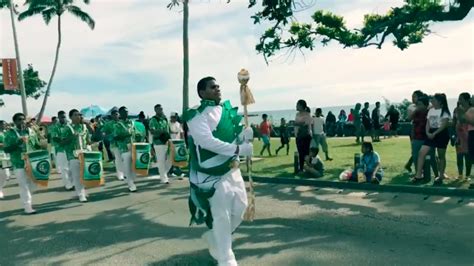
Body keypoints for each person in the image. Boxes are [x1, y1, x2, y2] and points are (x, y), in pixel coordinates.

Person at [184, 76, 253, 266]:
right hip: (210, 173)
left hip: (232, 169)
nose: (218, 89)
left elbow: (235, 137)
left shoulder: (227, 111)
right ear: (202, 92)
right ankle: (226, 258)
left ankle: (216, 239)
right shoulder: (195, 114)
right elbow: (206, 141)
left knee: (240, 209)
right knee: (221, 216)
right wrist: (239, 149)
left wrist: (245, 137)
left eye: (218, 86)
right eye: (213, 87)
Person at [3, 113, 45, 214]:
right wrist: (18, 143)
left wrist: (42, 141)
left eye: (23, 119)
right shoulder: (10, 133)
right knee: (24, 185)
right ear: (15, 122)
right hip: (18, 163)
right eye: (19, 120)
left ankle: (26, 197)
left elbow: (37, 145)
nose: (22, 122)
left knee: (35, 183)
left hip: (31, 162)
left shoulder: (31, 132)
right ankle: (27, 206)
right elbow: (6, 149)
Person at [412, 93, 451, 185]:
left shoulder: (444, 112)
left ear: (439, 101)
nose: (432, 101)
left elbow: (444, 125)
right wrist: (428, 132)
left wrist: (434, 133)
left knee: (441, 156)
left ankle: (440, 176)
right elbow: (428, 123)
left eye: (434, 100)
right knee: (422, 152)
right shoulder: (431, 110)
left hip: (441, 134)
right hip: (431, 133)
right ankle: (418, 175)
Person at [63, 110, 91, 202]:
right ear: (70, 117)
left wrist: (88, 125)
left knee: (84, 174)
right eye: (75, 115)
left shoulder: (84, 127)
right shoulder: (67, 128)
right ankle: (81, 194)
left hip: (84, 153)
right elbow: (62, 142)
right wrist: (71, 137)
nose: (78, 116)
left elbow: (88, 140)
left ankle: (82, 191)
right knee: (77, 176)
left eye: (79, 115)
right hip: (73, 155)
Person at [112, 106, 139, 192]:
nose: (126, 113)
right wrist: (126, 135)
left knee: (134, 166)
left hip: (133, 147)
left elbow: (135, 133)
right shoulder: (117, 125)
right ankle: (131, 185)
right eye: (123, 112)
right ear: (120, 113)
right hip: (124, 148)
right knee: (127, 167)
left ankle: (132, 180)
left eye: (127, 111)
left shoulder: (132, 123)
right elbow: (116, 137)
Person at [51, 111, 74, 191]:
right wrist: (65, 140)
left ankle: (72, 183)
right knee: (64, 169)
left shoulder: (69, 125)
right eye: (62, 117)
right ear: (58, 117)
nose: (63, 118)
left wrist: (67, 139)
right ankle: (68, 185)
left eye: (64, 117)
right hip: (61, 149)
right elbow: (55, 138)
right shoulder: (55, 127)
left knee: (71, 167)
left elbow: (73, 136)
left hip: (70, 149)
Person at [149, 104, 172, 184]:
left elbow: (168, 130)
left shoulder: (165, 119)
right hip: (158, 142)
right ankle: (164, 178)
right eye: (159, 109)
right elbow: (152, 131)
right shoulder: (153, 120)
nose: (161, 110)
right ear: (155, 110)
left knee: (170, 159)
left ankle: (163, 173)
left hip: (167, 142)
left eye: (161, 109)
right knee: (161, 161)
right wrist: (161, 131)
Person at [453, 92, 472, 179]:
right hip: (459, 135)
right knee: (459, 155)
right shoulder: (456, 110)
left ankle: (467, 175)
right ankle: (460, 174)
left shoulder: (471, 109)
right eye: (459, 98)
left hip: (469, 134)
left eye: (461, 99)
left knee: (468, 156)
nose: (459, 100)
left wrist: (461, 113)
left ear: (467, 100)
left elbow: (463, 120)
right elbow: (454, 122)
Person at [105, 109, 125, 180]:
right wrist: (111, 136)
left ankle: (124, 173)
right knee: (118, 159)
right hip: (114, 144)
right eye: (114, 114)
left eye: (117, 114)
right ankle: (120, 175)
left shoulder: (122, 122)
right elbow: (104, 133)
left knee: (124, 159)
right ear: (111, 116)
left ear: (119, 115)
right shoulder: (108, 124)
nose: (115, 116)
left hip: (123, 144)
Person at [295, 100, 313, 173]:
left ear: (302, 106)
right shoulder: (297, 114)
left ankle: (309, 167)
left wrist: (297, 123)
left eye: (297, 105)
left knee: (306, 153)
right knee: (300, 153)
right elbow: (297, 124)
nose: (296, 106)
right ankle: (301, 168)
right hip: (298, 136)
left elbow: (304, 125)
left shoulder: (307, 115)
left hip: (306, 136)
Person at [169, 112, 185, 178]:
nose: (175, 118)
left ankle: (175, 171)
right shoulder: (168, 124)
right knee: (171, 158)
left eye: (175, 117)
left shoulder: (178, 124)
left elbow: (181, 133)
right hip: (170, 142)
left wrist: (183, 142)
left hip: (178, 143)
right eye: (173, 117)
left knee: (177, 157)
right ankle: (173, 171)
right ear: (171, 117)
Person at [0, 120, 11, 199]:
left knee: (7, 175)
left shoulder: (6, 133)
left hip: (6, 156)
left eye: (5, 124)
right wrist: (5, 144)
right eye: (2, 124)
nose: (4, 125)